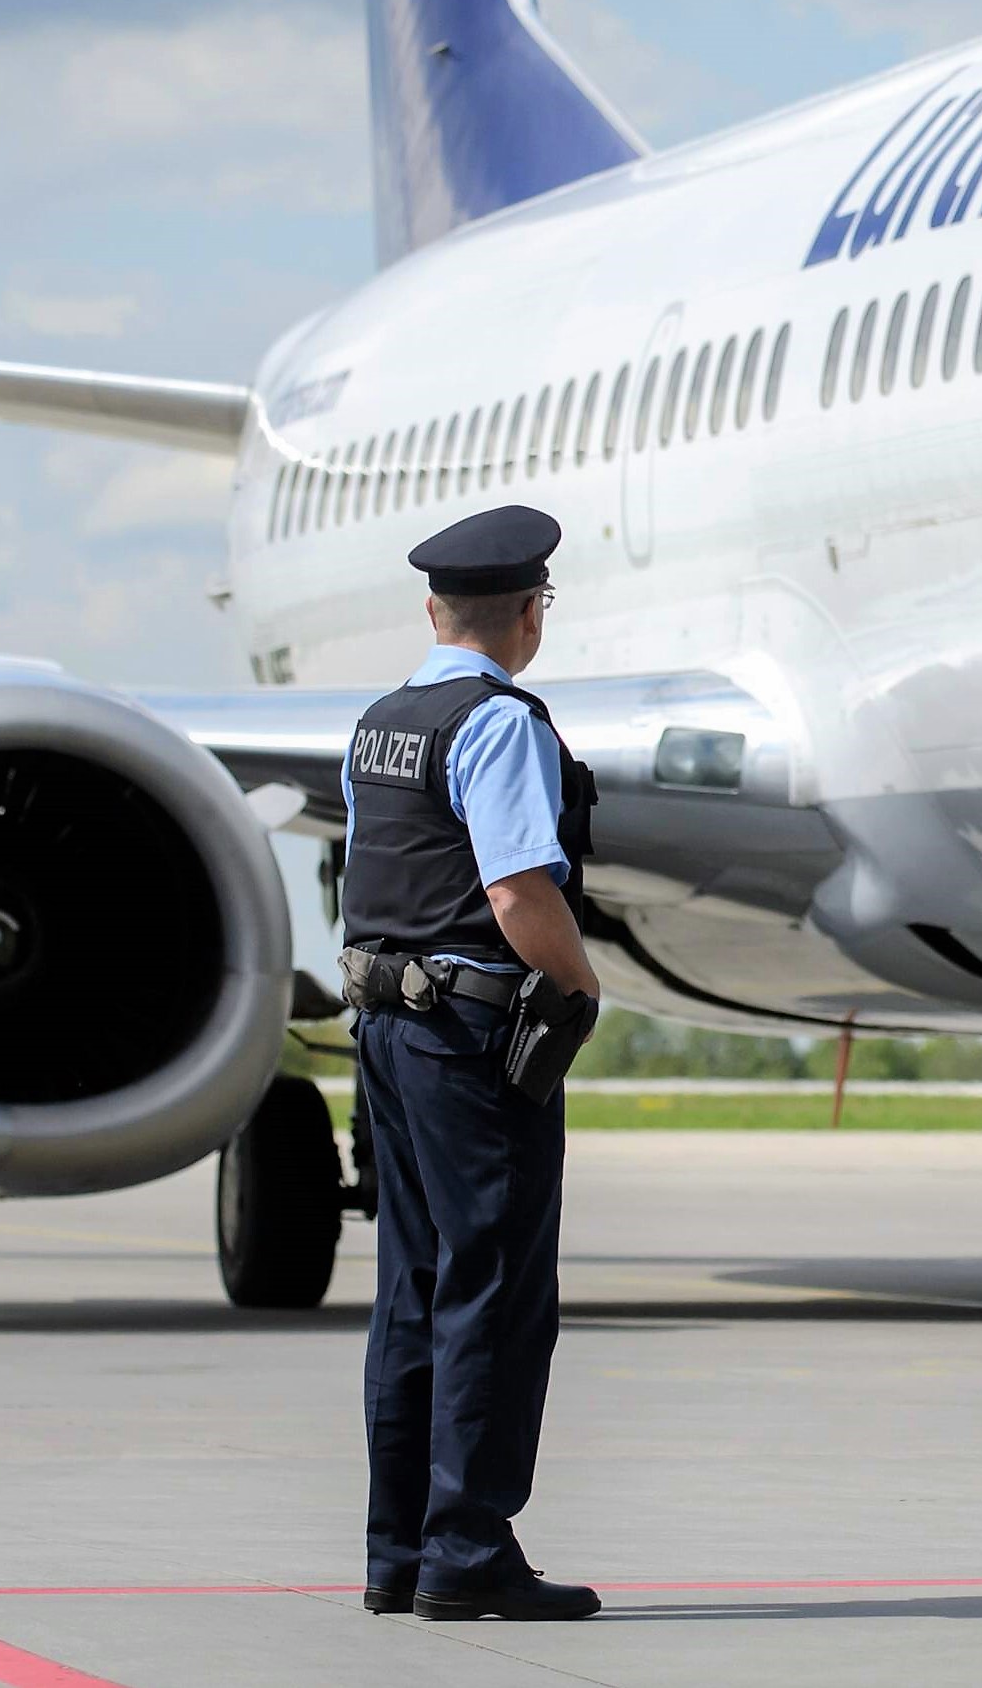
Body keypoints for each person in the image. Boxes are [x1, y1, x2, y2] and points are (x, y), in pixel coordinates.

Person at [337, 504, 605, 1624]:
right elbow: (514, 889)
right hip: (466, 1035)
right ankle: (469, 1546)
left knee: (412, 1288)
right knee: (492, 1289)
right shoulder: (499, 724)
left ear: (433, 609)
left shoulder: (381, 721)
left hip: (386, 1027)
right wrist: (582, 987)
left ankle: (397, 1549)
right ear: (531, 614)